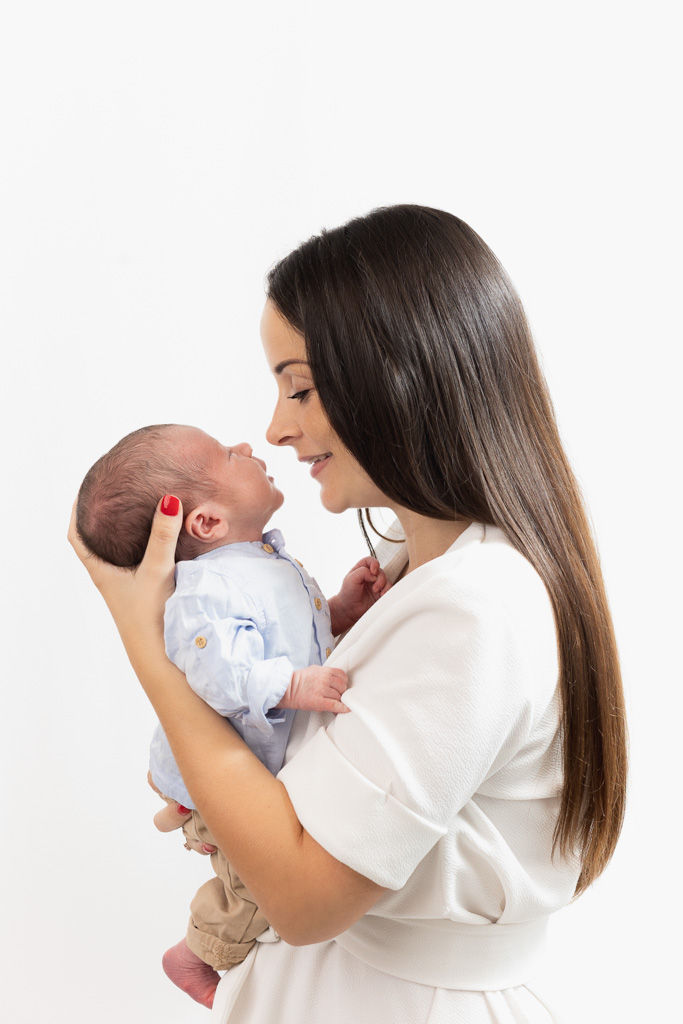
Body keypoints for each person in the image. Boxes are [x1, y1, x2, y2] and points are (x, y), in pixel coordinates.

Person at [69, 204, 628, 1023]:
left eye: (299, 386)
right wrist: (229, 803)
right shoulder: (420, 577)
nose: (275, 427)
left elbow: (303, 896)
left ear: (401, 372)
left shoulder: (474, 608)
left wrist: (145, 640)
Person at [75, 422, 389, 1008]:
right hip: (217, 782)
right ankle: (197, 953)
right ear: (207, 523)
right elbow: (219, 675)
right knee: (257, 891)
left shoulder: (259, 558)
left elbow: (290, 634)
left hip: (246, 771)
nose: (248, 447)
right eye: (227, 454)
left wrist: (342, 608)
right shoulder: (206, 589)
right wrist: (293, 685)